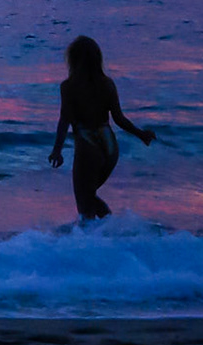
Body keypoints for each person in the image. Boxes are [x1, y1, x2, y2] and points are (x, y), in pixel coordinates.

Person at [49, 35, 155, 220]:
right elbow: (119, 119)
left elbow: (64, 120)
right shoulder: (107, 84)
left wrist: (57, 150)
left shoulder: (68, 87)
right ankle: (108, 231)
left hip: (87, 144)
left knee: (85, 202)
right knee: (89, 197)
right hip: (109, 145)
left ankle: (104, 233)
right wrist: (141, 134)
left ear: (72, 60)